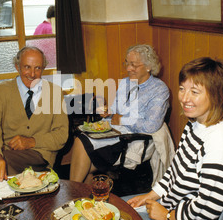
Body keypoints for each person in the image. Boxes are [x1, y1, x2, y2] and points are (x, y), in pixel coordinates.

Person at [124, 57, 223, 220]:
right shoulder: (196, 123)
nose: (184, 98)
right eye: (182, 88)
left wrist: (168, 216)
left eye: (194, 92)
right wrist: (151, 195)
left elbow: (208, 208)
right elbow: (175, 171)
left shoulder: (221, 140)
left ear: (217, 95)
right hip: (174, 210)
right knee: (114, 207)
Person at [69, 44, 170, 184]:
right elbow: (115, 109)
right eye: (127, 63)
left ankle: (74, 192)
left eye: (133, 65)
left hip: (130, 139)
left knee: (83, 150)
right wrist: (107, 111)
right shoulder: (125, 83)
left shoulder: (159, 89)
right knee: (81, 138)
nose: (128, 68)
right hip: (114, 131)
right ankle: (81, 194)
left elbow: (152, 125)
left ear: (148, 66)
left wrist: (122, 120)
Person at [0, 46, 69, 182]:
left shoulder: (55, 92)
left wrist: (32, 142)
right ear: (17, 66)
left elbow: (61, 135)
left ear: (43, 68)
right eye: (27, 67)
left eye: (38, 68)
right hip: (8, 154)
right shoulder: (1, 91)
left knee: (1, 168)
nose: (32, 74)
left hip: (41, 157)